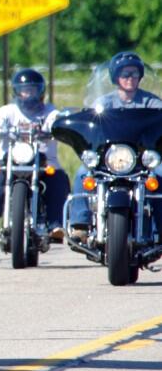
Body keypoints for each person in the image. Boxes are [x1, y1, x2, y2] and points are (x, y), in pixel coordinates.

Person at [69, 52, 162, 240]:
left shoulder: (152, 103)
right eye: (125, 74)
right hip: (109, 158)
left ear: (140, 77)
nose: (130, 79)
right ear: (116, 77)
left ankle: (159, 228)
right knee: (81, 174)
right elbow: (92, 126)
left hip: (141, 158)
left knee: (160, 176)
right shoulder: (103, 103)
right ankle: (81, 224)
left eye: (134, 74)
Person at [0, 68, 70, 240]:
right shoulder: (7, 111)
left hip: (44, 161)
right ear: (17, 92)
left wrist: (60, 130)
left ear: (40, 92)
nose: (28, 94)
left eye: (32, 90)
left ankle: (56, 225)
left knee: (59, 178)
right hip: (11, 159)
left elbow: (57, 123)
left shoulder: (50, 111)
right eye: (24, 90)